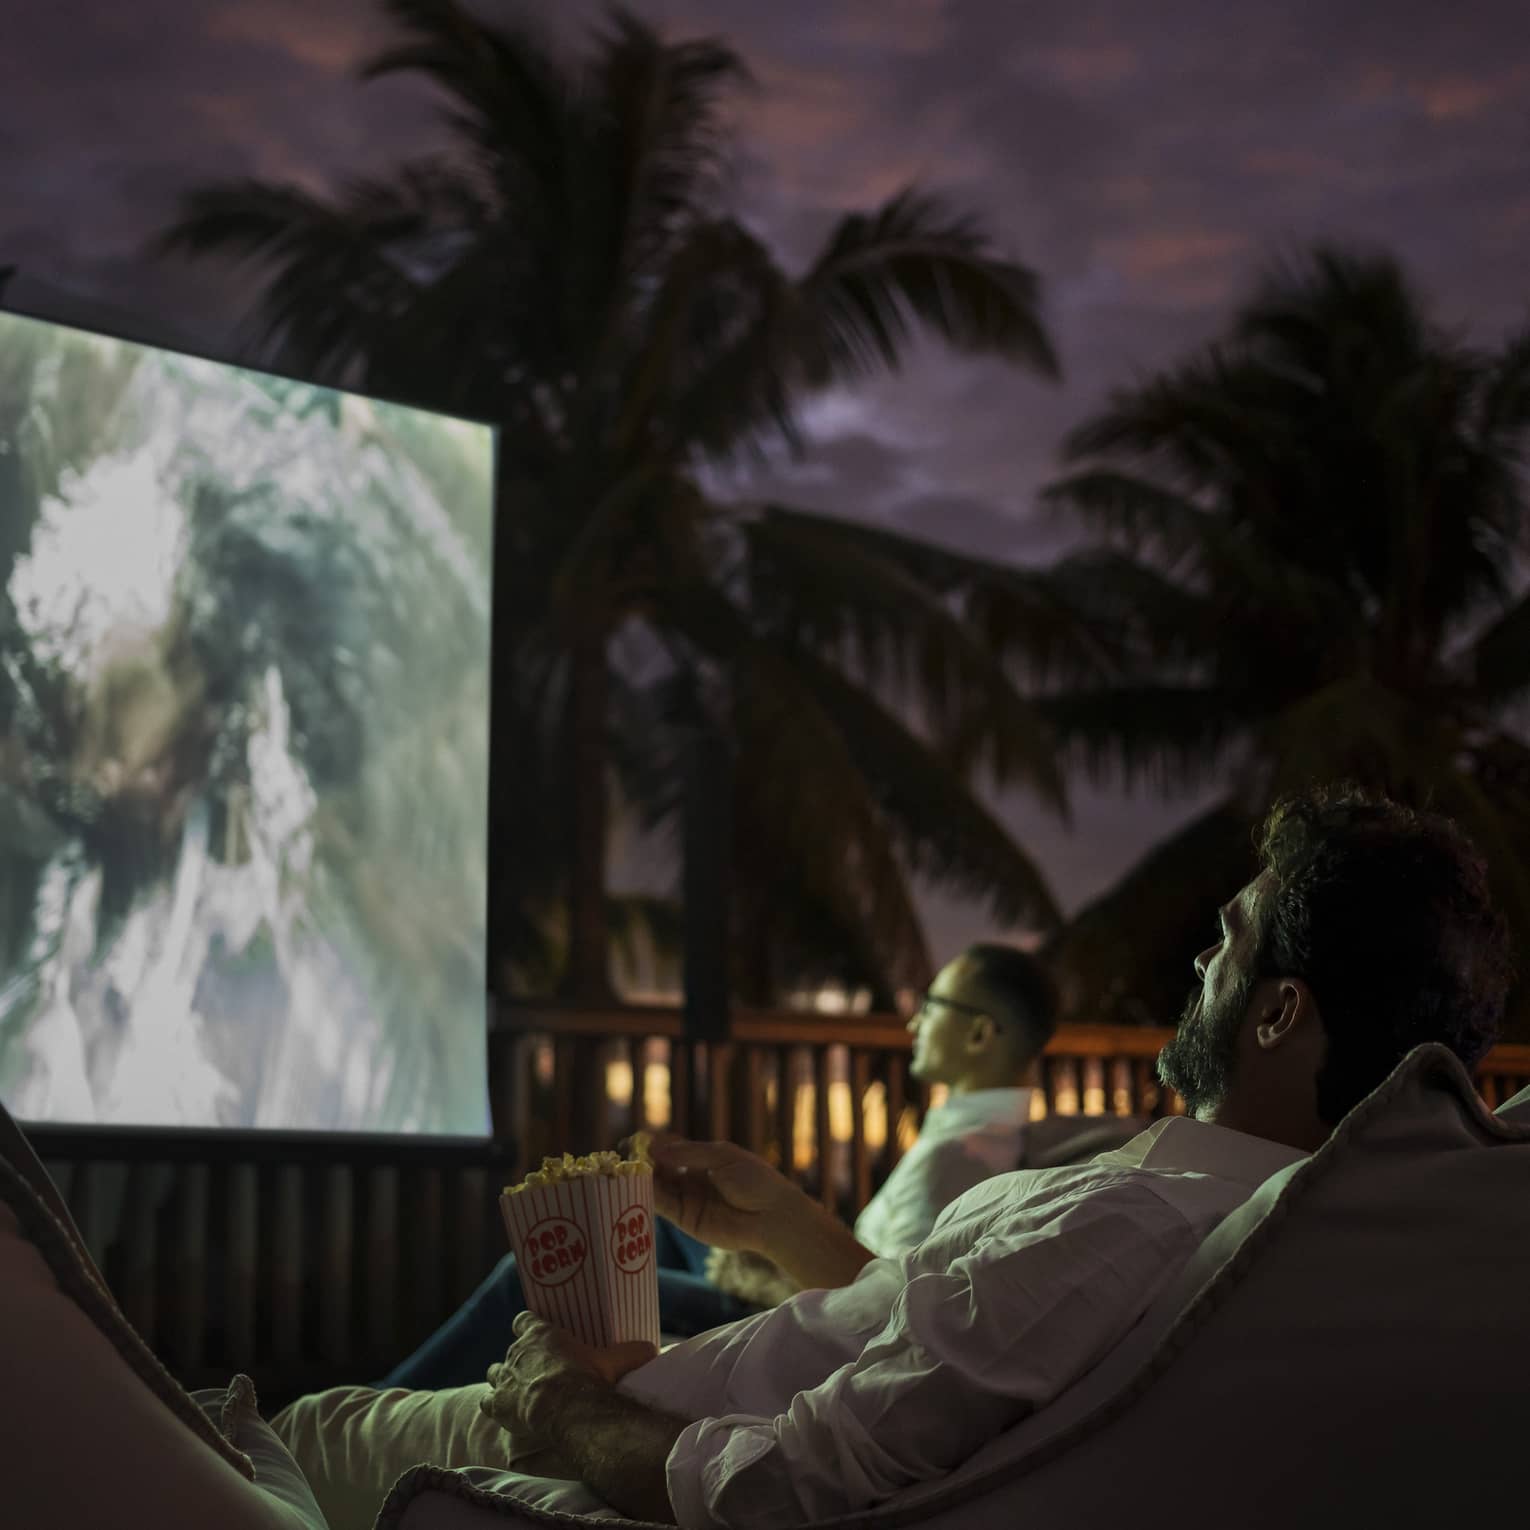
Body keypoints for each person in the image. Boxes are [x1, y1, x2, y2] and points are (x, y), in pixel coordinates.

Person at [444, 787, 1511, 1528]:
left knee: (297, 1425)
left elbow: (770, 1493)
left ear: (1278, 1012)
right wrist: (785, 1226)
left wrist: (563, 1404)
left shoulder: (1129, 1227)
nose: (1198, 960)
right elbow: (952, 1338)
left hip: (601, 1444)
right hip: (655, 1407)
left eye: (1227, 938)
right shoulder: (1219, 1226)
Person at [376, 943, 1055, 1388]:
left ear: (978, 1034)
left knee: (530, 1276)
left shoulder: (957, 1161)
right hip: (806, 1283)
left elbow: (879, 1313)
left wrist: (774, 1245)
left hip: (801, 1309)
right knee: (652, 1220)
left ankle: (367, 1405)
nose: (913, 1022)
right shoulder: (985, 1136)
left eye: (931, 1005)